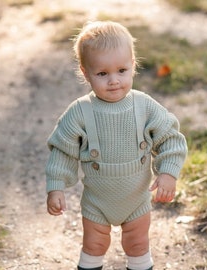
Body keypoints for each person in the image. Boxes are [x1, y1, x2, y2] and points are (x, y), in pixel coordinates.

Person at [46, 21, 188, 270]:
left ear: (133, 65)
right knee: (94, 245)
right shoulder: (79, 112)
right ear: (85, 72)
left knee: (137, 244)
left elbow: (171, 138)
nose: (113, 80)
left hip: (136, 198)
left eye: (122, 70)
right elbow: (62, 150)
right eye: (102, 74)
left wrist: (168, 172)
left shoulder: (144, 106)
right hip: (97, 201)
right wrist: (56, 186)